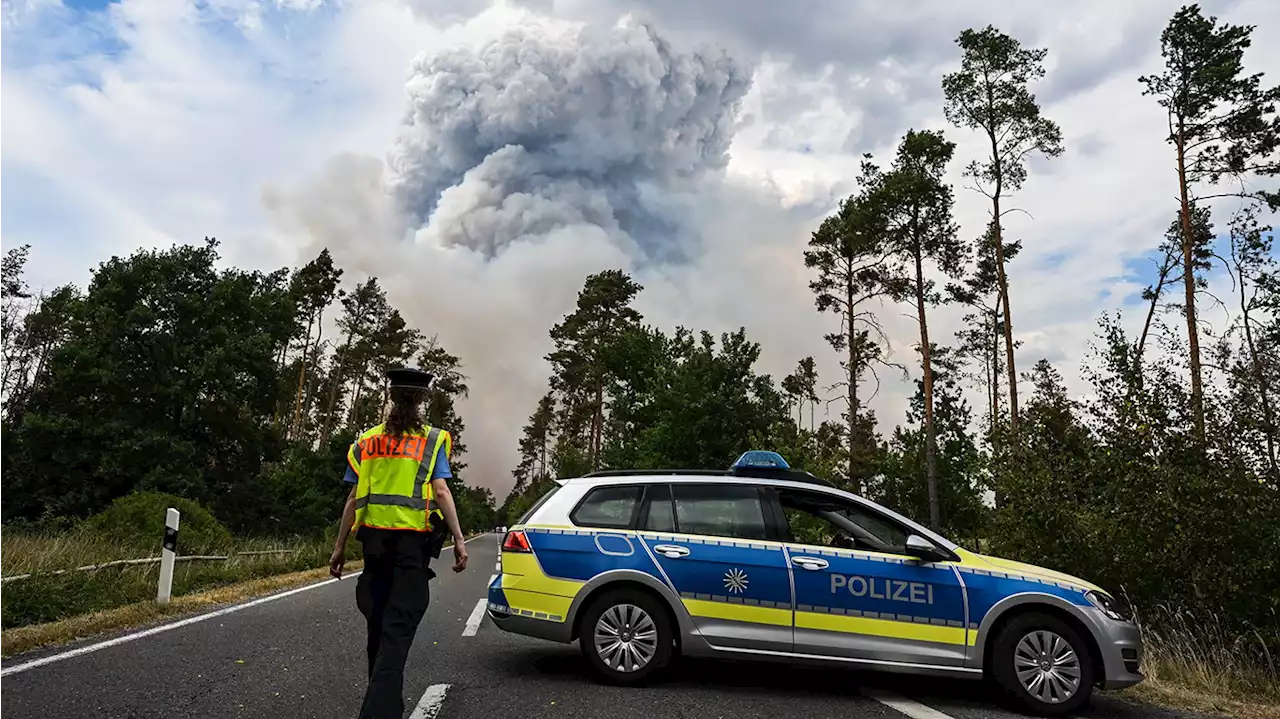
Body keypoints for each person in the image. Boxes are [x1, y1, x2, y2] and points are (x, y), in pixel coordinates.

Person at [328, 366, 469, 719]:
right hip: (410, 551)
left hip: (373, 548)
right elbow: (439, 490)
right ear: (421, 400)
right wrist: (459, 538)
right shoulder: (432, 440)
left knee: (377, 628)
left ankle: (384, 699)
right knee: (397, 633)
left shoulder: (366, 441)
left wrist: (339, 546)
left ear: (391, 398)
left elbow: (352, 498)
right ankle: (380, 711)